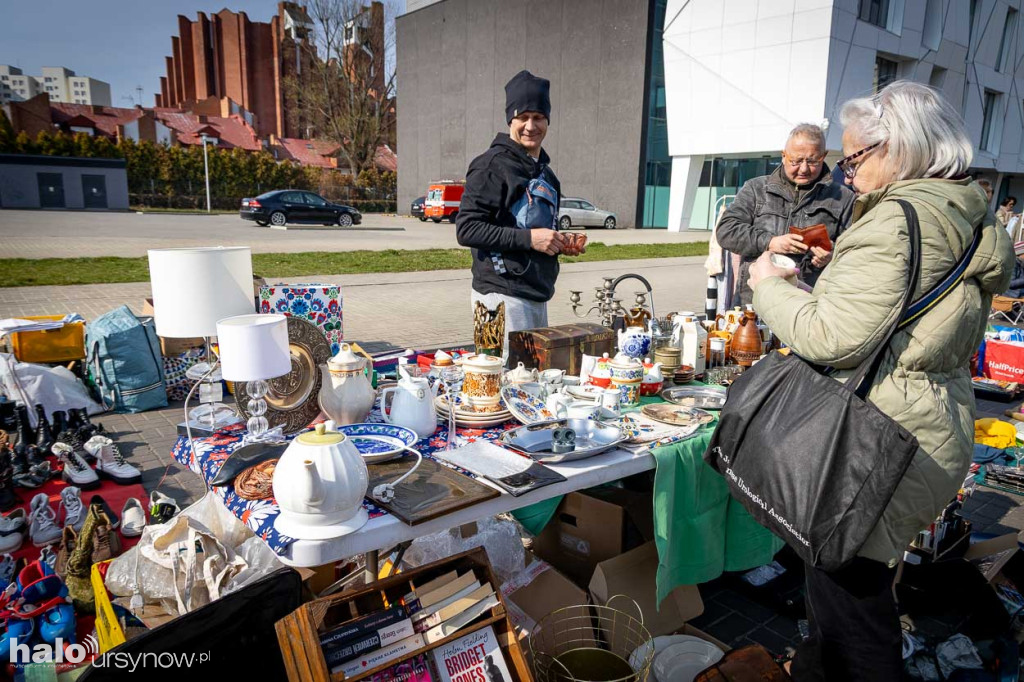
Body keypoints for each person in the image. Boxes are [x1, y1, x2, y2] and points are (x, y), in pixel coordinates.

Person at [747, 81, 1013, 680]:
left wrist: (767, 284)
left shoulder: (898, 220)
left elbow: (830, 337)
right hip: (928, 424)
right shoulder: (963, 212)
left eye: (854, 157)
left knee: (851, 610)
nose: (845, 173)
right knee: (850, 594)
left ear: (901, 147)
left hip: (875, 438)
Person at [456, 70, 568, 357]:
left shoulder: (546, 173)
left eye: (539, 117)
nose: (531, 126)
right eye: (523, 117)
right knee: (497, 384)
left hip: (535, 296)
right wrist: (531, 239)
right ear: (511, 120)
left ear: (548, 121)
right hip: (497, 299)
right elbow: (467, 229)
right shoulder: (490, 166)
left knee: (531, 385)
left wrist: (557, 242)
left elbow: (537, 228)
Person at [716, 123, 855, 307]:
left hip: (807, 303)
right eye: (796, 161)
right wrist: (770, 242)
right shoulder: (756, 189)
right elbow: (726, 231)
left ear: (824, 156)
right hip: (754, 299)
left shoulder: (843, 198)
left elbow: (856, 249)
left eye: (812, 161)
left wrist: (832, 255)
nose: (804, 169)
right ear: (783, 156)